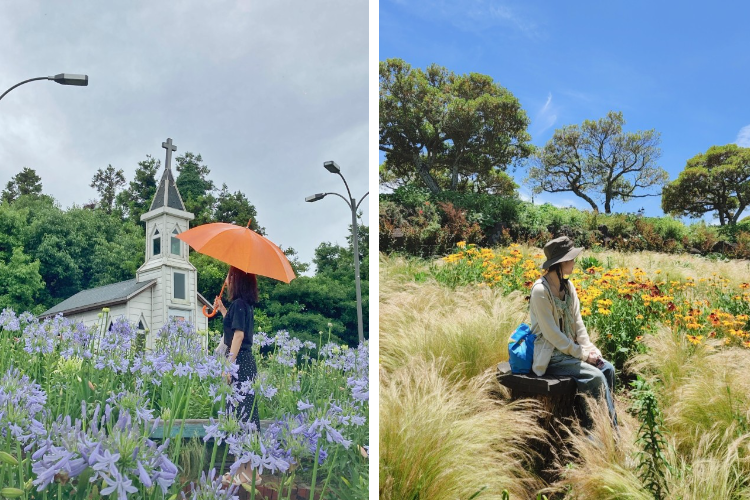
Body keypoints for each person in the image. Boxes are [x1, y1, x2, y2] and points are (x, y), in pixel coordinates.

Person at [529, 236, 618, 428]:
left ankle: (604, 427)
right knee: (595, 377)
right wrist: (583, 355)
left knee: (607, 368)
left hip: (570, 352)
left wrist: (591, 349)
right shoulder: (540, 291)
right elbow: (552, 335)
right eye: (571, 258)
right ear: (560, 263)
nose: (574, 262)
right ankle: (599, 434)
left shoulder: (568, 287)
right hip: (551, 356)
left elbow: (578, 323)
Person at [215, 266, 262, 485]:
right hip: (245, 364)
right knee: (244, 416)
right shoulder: (242, 306)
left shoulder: (240, 305)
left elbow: (239, 336)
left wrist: (228, 366)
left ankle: (247, 473)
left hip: (240, 364)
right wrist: (224, 310)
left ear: (237, 281)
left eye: (230, 275)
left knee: (241, 416)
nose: (227, 279)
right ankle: (242, 472)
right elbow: (233, 327)